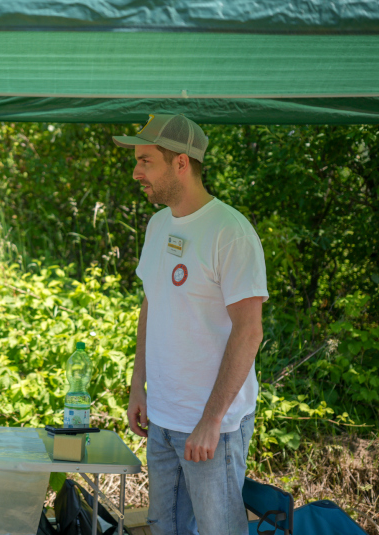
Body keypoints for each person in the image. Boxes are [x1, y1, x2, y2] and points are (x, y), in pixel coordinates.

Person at [114, 115, 268, 535]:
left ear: (180, 163)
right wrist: (137, 385)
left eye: (145, 160)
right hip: (163, 419)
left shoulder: (230, 232)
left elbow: (249, 331)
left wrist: (211, 420)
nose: (136, 172)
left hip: (211, 428)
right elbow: (152, 305)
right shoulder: (157, 224)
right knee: (165, 528)